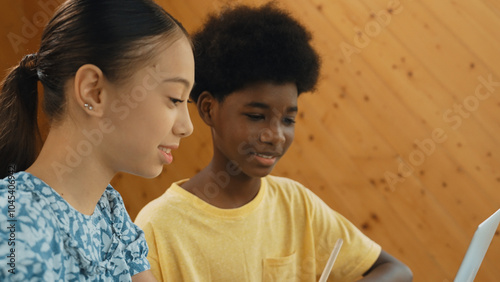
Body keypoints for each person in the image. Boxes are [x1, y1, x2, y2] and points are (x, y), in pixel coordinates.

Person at [135, 3, 413, 282]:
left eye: (288, 120)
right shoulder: (158, 228)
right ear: (208, 109)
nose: (276, 135)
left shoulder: (297, 205)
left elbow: (397, 271)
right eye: (256, 116)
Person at [0, 0, 195, 280]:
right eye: (175, 98)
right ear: (94, 91)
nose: (187, 126)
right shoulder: (13, 225)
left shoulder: (109, 210)